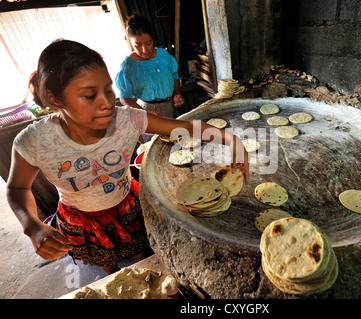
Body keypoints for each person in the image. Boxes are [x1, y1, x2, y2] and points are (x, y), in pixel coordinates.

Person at [6, 39, 249, 275]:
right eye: (90, 95)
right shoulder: (36, 141)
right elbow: (17, 189)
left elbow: (183, 127)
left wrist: (230, 139)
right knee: (106, 262)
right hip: (81, 220)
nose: (107, 103)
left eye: (108, 90)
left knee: (143, 255)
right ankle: (110, 271)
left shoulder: (127, 120)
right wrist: (32, 226)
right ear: (54, 98)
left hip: (128, 206)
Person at [115, 14, 184, 118]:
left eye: (148, 43)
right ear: (130, 42)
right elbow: (124, 98)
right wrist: (146, 113)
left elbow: (174, 76)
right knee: (155, 135)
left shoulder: (163, 56)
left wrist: (177, 94)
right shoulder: (128, 66)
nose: (144, 50)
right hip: (146, 110)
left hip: (171, 106)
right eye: (137, 45)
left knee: (177, 133)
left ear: (153, 38)